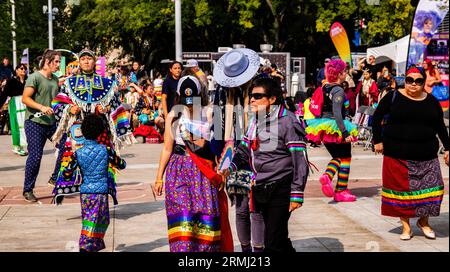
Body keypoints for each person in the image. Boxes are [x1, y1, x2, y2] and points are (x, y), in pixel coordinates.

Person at [219, 77, 309, 252]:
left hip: (281, 187)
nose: (252, 99)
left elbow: (300, 159)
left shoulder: (288, 121)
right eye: (252, 96)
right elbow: (244, 150)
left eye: (258, 96)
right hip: (260, 187)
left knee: (272, 241)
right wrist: (229, 168)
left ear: (272, 99)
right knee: (278, 238)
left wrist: (297, 192)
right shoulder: (255, 120)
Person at [153, 75, 233, 252]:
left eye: (193, 101)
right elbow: (167, 148)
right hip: (178, 171)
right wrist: (159, 177)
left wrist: (222, 170)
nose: (189, 105)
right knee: (182, 220)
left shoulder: (211, 113)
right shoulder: (174, 115)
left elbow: (221, 145)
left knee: (205, 221)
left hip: (204, 172)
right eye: (186, 101)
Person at [372, 66, 449, 240]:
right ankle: (406, 227)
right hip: (397, 155)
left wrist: (448, 147)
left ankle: (424, 222)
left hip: (427, 155)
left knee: (433, 190)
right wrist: (377, 141)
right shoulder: (392, 97)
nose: (413, 84)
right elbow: (377, 117)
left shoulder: (432, 101)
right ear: (405, 80)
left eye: (418, 81)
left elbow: (440, 126)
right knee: (401, 193)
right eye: (409, 80)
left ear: (423, 82)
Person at [51, 48, 135, 204]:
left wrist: (106, 109)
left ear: (94, 61)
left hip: (99, 128)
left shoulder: (107, 83)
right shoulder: (70, 82)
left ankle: (104, 193)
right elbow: (57, 103)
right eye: (83, 59)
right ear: (79, 62)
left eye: (89, 58)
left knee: (102, 162)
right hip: (77, 128)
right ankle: (67, 189)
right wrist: (70, 108)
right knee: (72, 159)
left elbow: (116, 104)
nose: (86, 61)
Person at [213, 48, 265, 252]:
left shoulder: (261, 86)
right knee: (242, 206)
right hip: (233, 151)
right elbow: (218, 123)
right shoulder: (222, 90)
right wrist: (219, 154)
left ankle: (259, 250)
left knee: (257, 207)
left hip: (260, 150)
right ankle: (246, 251)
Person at [61, 114, 126, 251]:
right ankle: (85, 247)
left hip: (85, 193)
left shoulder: (78, 153)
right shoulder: (106, 150)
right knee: (98, 223)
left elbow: (66, 174)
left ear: (83, 132)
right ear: (100, 131)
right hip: (101, 193)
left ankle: (90, 247)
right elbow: (121, 164)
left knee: (90, 221)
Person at [305, 59, 359, 202]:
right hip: (337, 127)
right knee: (345, 157)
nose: (346, 74)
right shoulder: (338, 90)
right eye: (345, 71)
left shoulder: (324, 87)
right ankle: (339, 189)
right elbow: (337, 113)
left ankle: (329, 177)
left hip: (323, 126)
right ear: (340, 74)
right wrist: (345, 132)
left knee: (338, 157)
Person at [21, 49, 63, 202]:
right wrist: (42, 107)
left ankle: (54, 178)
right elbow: (25, 99)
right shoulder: (35, 77)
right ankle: (28, 189)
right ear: (47, 62)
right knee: (36, 156)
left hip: (52, 123)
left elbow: (57, 96)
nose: (59, 65)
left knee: (66, 147)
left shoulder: (55, 79)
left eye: (59, 62)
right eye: (56, 61)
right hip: (34, 122)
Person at [0, 64, 28, 156]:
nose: (24, 70)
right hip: (15, 104)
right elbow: (4, 94)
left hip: (25, 103)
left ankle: (22, 146)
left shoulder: (28, 80)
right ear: (16, 70)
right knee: (16, 125)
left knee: (24, 125)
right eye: (21, 68)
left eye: (25, 69)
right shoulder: (11, 81)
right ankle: (17, 147)